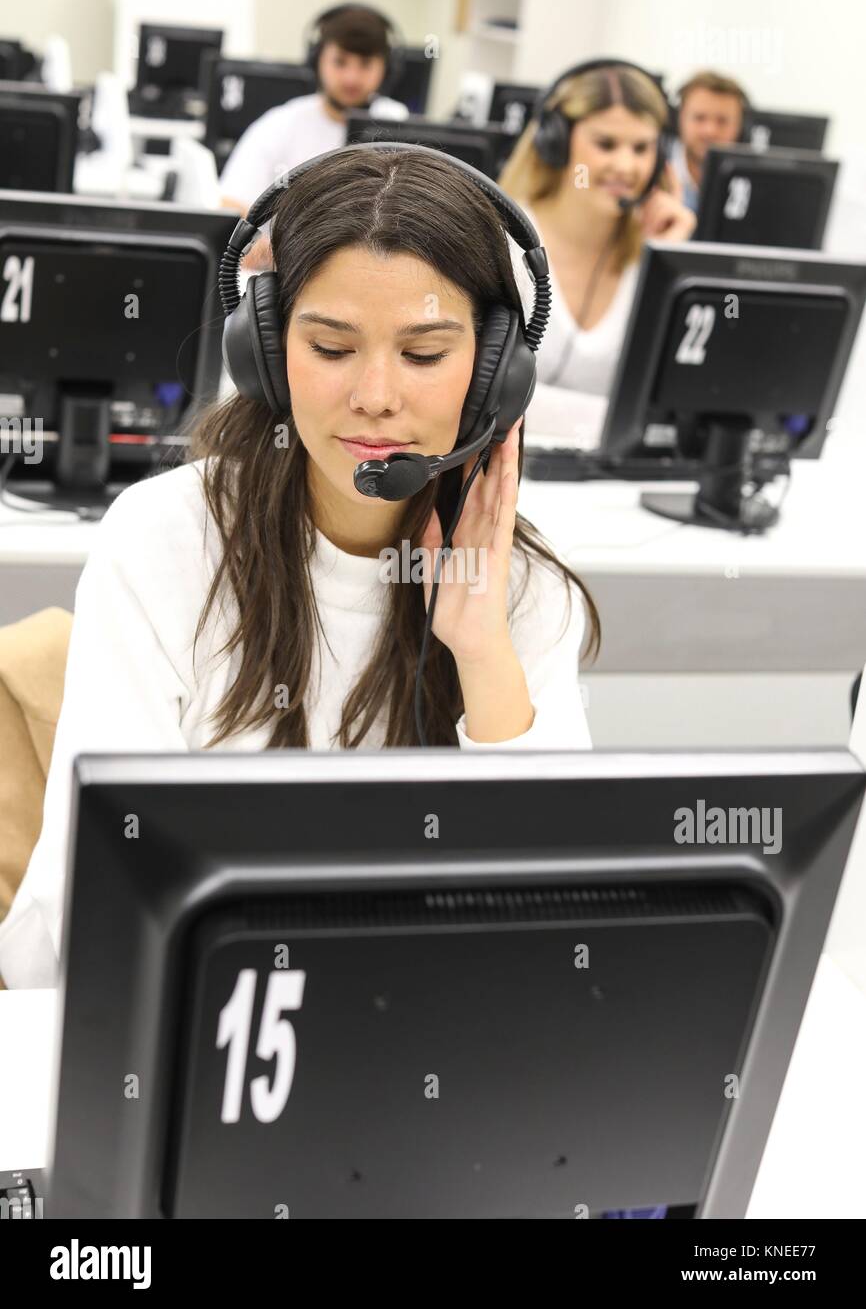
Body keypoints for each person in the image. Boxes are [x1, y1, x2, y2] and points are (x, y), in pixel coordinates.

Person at [0, 143, 600, 991]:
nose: (376, 396)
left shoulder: (518, 583)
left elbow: (560, 923)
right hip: (179, 1008)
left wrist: (482, 653)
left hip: (409, 1026)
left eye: (425, 354)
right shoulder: (166, 541)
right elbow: (92, 905)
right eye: (330, 347)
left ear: (498, 371)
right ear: (267, 353)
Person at [499, 60, 696, 450]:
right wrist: (612, 418)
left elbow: (670, 413)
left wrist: (671, 267)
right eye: (606, 144)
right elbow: (489, 396)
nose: (626, 166)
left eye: (642, 148)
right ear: (555, 142)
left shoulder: (655, 254)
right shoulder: (503, 238)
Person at [218, 3, 410, 217]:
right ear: (317, 61)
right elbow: (230, 204)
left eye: (365, 64)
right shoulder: (280, 124)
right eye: (340, 62)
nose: (351, 78)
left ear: (387, 68)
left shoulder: (401, 125)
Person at [670, 69, 750, 214]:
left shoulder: (750, 181)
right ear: (679, 118)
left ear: (740, 127)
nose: (710, 131)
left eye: (722, 121)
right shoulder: (651, 167)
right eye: (699, 118)